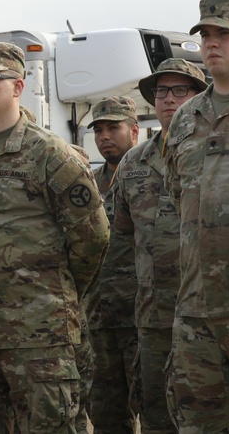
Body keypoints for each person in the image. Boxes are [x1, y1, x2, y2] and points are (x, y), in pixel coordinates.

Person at [0, 42, 109, 433]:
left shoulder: (50, 155)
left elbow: (92, 237)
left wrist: (54, 292)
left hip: (38, 334)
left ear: (17, 86)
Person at [164, 0, 229, 432]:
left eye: (226, 34)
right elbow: (177, 197)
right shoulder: (185, 120)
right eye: (206, 35)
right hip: (197, 312)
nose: (213, 43)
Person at [111, 58, 207, 434]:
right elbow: (118, 243)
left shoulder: (218, 149)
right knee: (156, 416)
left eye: (179, 89)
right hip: (153, 320)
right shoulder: (133, 162)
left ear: (199, 95)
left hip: (209, 315)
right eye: (160, 91)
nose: (168, 98)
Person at [84, 97, 140, 434]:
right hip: (99, 319)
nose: (105, 136)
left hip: (141, 316)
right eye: (99, 130)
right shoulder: (87, 184)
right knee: (104, 413)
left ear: (134, 130)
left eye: (113, 127)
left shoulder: (152, 172)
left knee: (156, 408)